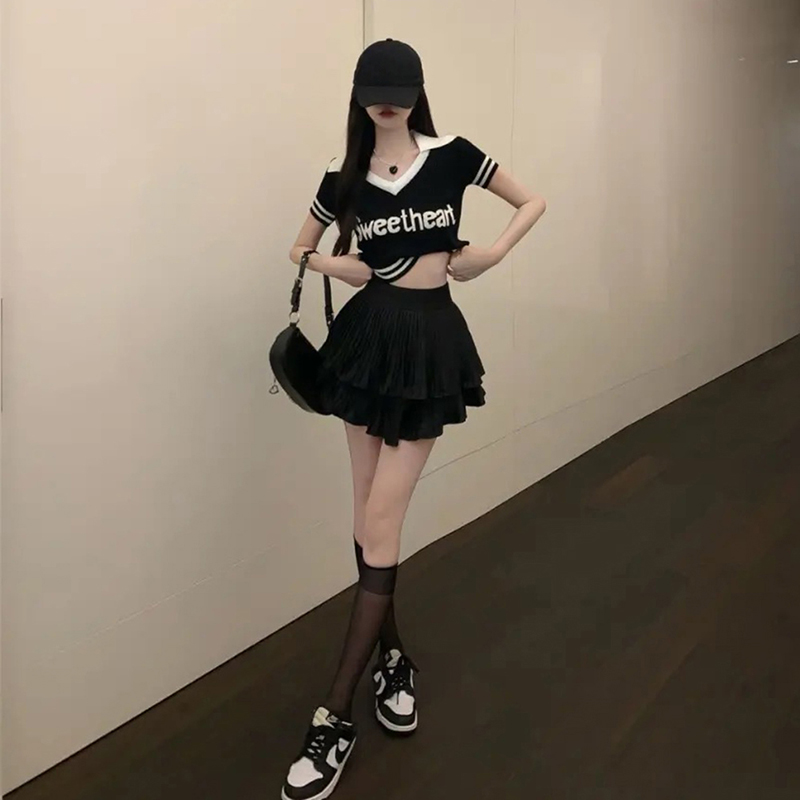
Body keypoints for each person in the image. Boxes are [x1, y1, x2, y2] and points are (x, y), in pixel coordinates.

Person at [281, 38, 546, 800]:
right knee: (368, 518)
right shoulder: (344, 177)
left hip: (430, 344)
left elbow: (532, 200)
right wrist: (336, 264)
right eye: (375, 91)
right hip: (367, 342)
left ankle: (334, 714)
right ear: (359, 95)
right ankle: (392, 662)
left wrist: (492, 254)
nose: (387, 103)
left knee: (381, 519)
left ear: (417, 91)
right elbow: (300, 247)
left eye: (398, 91)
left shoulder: (453, 154)